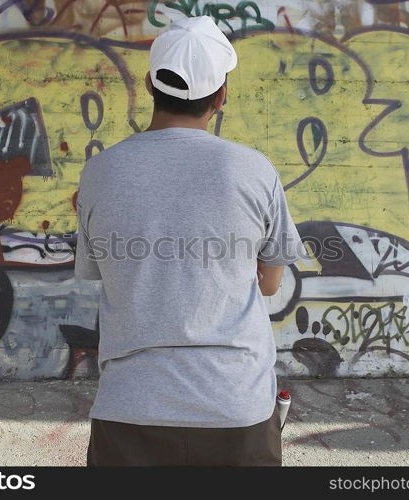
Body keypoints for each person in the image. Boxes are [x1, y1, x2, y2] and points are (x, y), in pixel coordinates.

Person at [74, 15, 304, 466]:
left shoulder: (100, 172)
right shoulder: (253, 170)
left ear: (149, 85)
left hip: (130, 408)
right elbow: (271, 284)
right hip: (237, 407)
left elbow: (101, 270)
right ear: (220, 96)